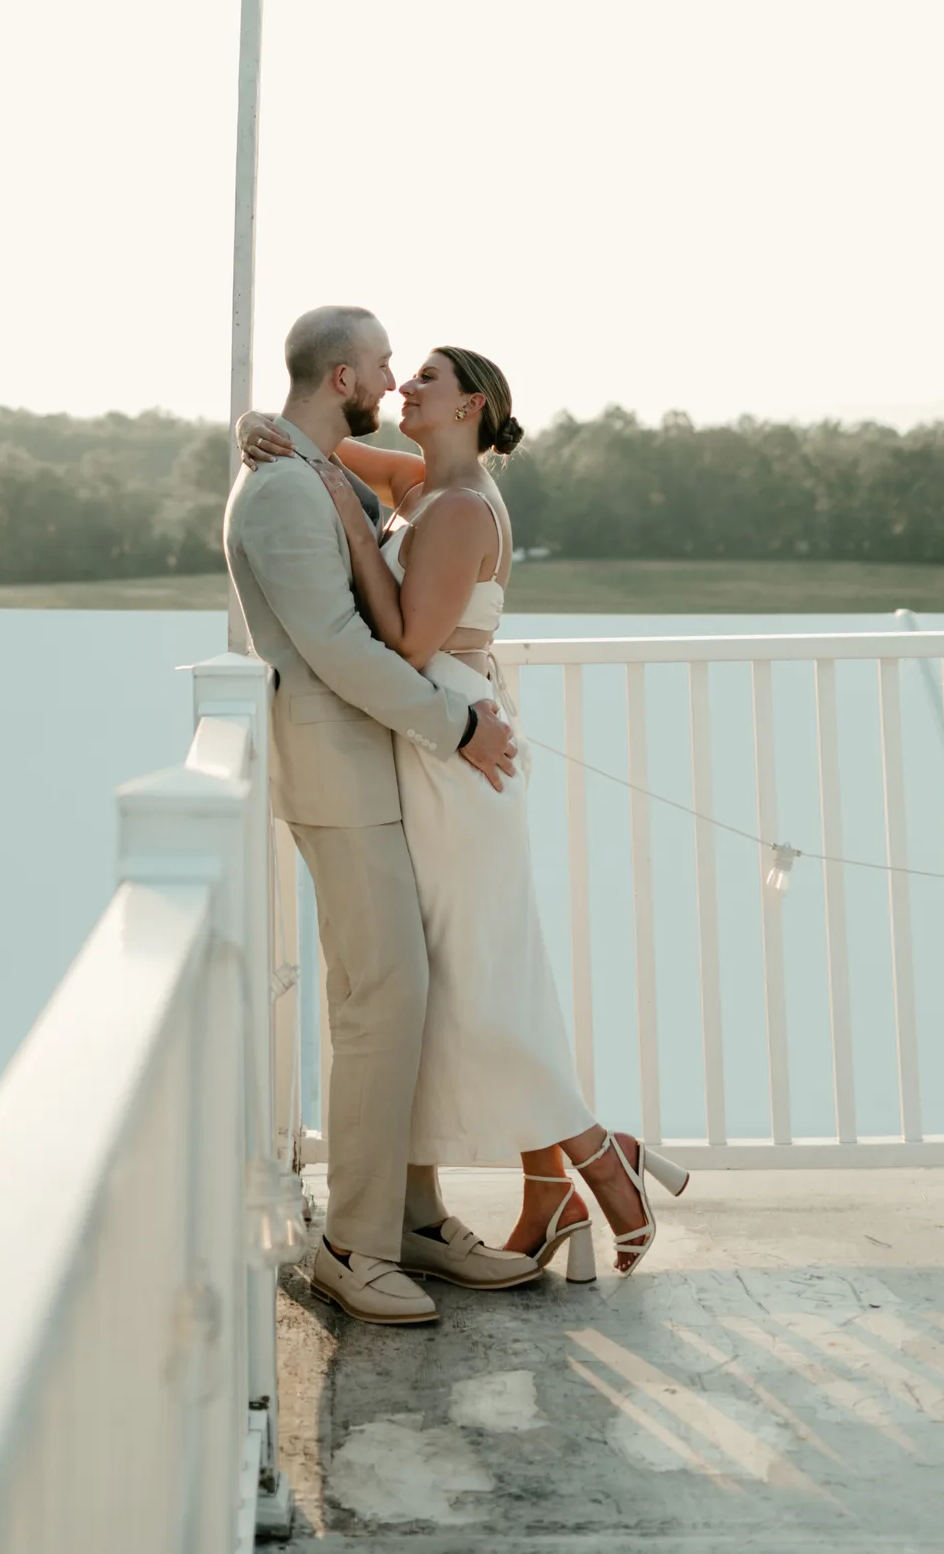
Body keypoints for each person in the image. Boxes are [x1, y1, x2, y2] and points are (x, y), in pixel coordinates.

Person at [238, 339, 689, 1280]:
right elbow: (320, 451)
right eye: (401, 372)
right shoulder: (424, 481)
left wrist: (351, 530)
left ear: (473, 406)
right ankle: (557, 1186)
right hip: (435, 747)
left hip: (457, 755)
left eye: (427, 379)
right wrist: (260, 431)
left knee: (477, 980)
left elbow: (403, 642)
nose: (405, 384)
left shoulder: (453, 511)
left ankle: (602, 1157)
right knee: (472, 976)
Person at [225, 304, 537, 1325]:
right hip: (338, 774)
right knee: (382, 999)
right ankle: (352, 1246)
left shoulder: (314, 475)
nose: (392, 376)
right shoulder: (277, 490)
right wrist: (455, 725)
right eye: (380, 364)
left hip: (380, 769)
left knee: (401, 993)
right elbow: (341, 649)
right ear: (341, 379)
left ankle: (410, 1217)